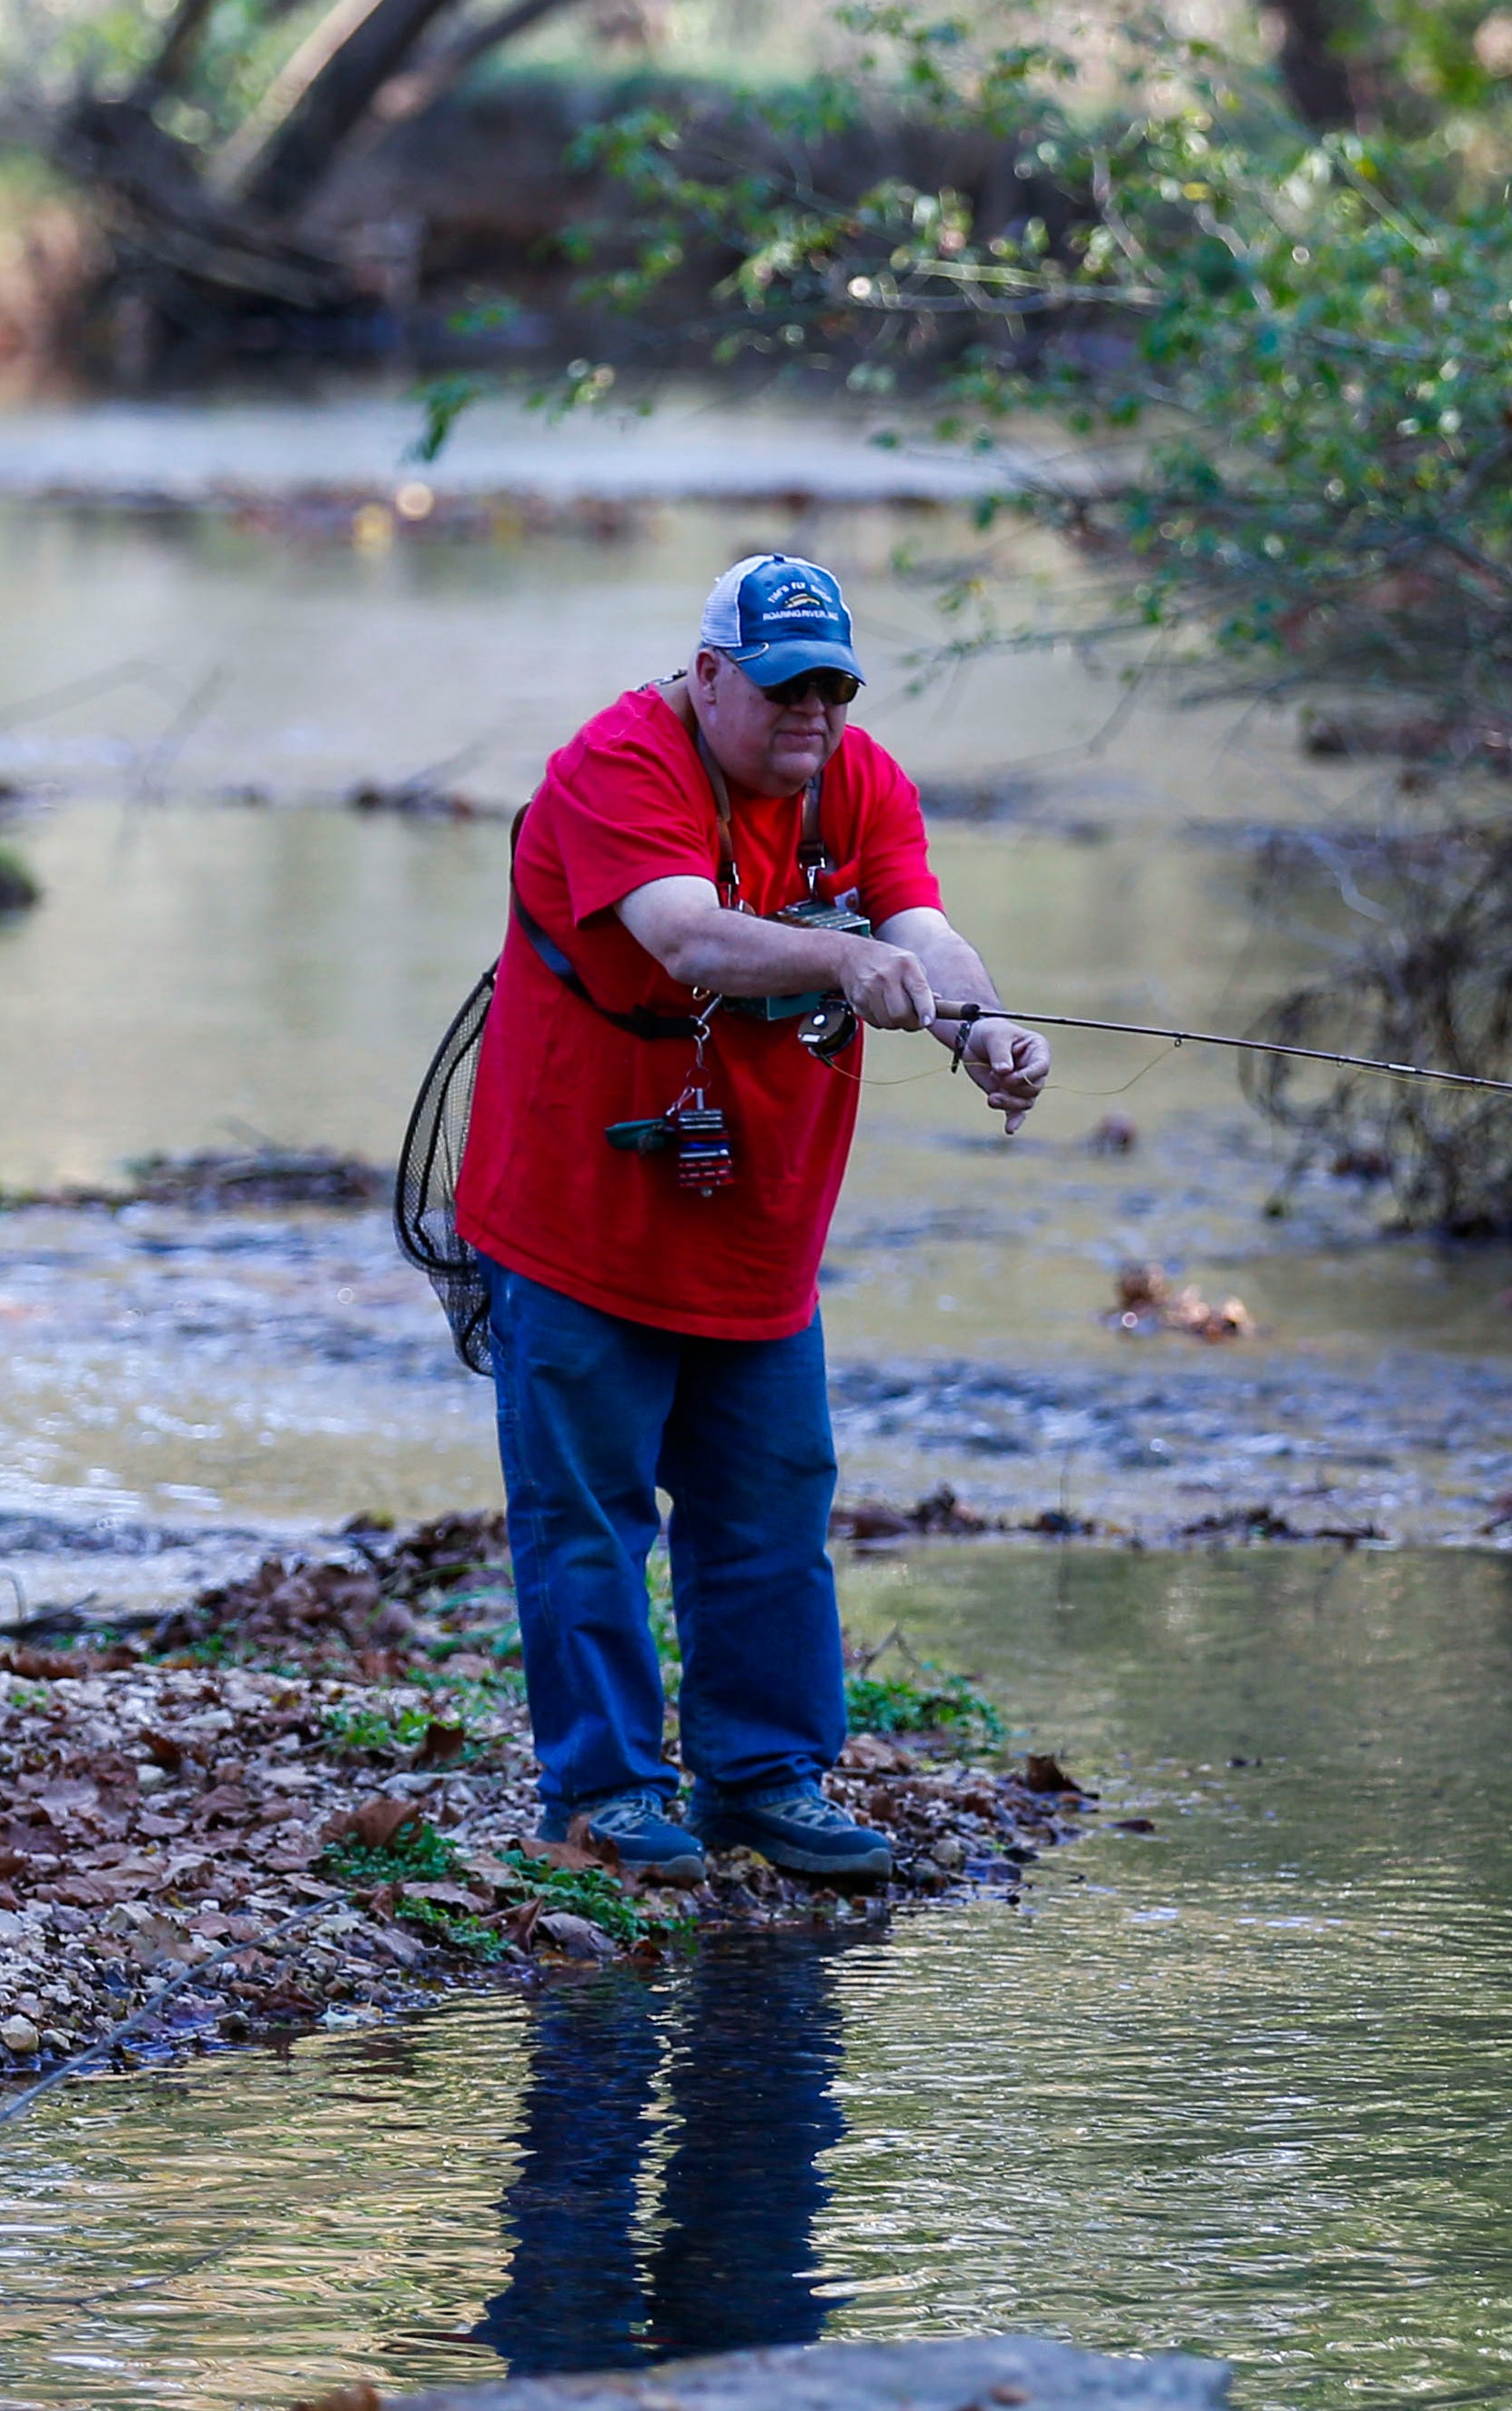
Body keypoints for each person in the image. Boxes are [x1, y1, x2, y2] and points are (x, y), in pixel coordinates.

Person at [456, 554, 1051, 1882]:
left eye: (833, 687)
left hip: (756, 1227)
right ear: (710, 673)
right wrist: (844, 958)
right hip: (575, 1217)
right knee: (588, 1514)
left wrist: (982, 1027)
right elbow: (690, 938)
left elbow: (923, 929)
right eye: (785, 687)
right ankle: (601, 1796)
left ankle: (764, 1778)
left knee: (771, 1501)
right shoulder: (615, 763)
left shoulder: (857, 775)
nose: (813, 715)